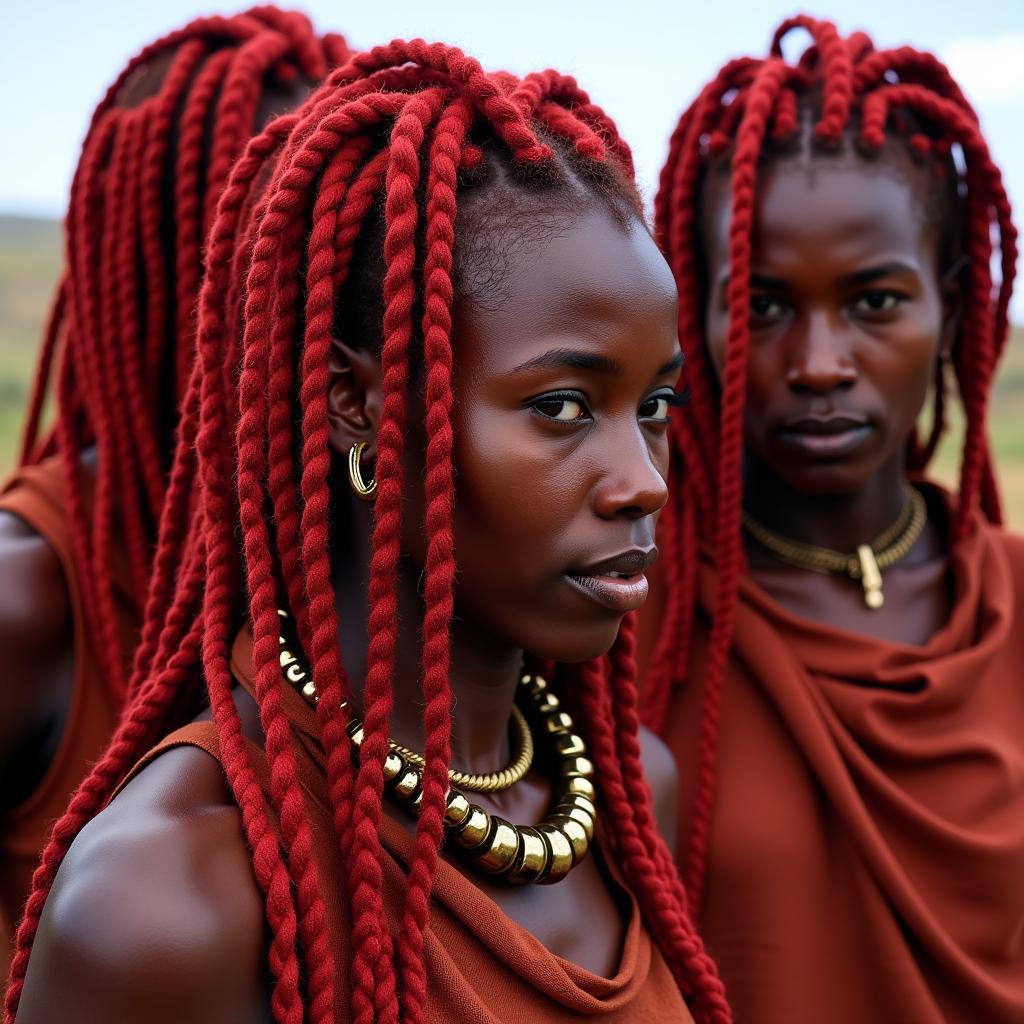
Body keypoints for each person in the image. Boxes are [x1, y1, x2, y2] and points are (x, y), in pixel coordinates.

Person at [6, 42, 732, 1024]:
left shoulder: (630, 793)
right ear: (356, 401)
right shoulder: (170, 899)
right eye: (561, 405)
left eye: (654, 403)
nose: (642, 483)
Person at [637, 14, 1022, 1023]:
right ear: (697, 319)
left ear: (950, 305)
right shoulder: (633, 627)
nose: (816, 362)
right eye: (760, 305)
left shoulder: (1015, 601)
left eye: (874, 301)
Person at [0, 8, 347, 982]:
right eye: (264, 247)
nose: (323, 299)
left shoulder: (351, 563)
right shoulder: (26, 596)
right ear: (160, 268)